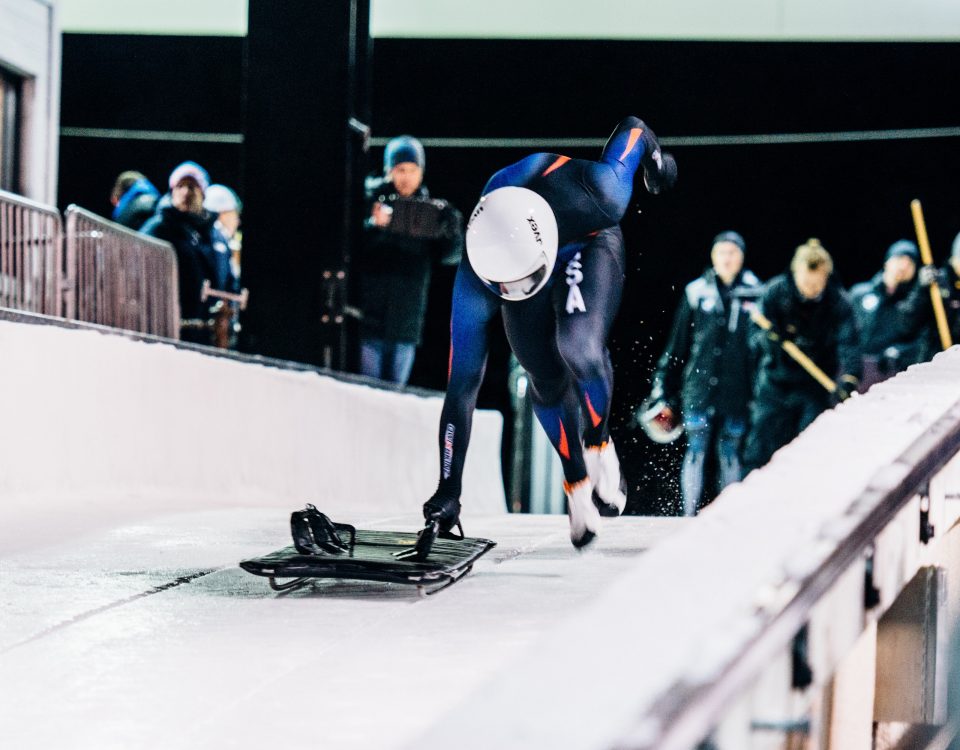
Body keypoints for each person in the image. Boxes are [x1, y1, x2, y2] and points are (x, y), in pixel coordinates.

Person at [420, 116, 678, 548]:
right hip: (527, 260)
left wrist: (657, 166)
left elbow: (636, 129)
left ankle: (598, 444)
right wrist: (449, 488)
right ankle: (576, 480)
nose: (511, 290)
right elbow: (461, 389)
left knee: (577, 343)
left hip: (586, 242)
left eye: (520, 282)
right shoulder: (476, 281)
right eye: (505, 287)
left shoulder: (600, 192)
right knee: (543, 373)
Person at [646, 231, 762, 516]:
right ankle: (688, 516)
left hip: (737, 391)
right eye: (722, 252)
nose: (727, 258)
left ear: (742, 257)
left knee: (730, 452)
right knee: (696, 450)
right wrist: (663, 388)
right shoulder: (696, 292)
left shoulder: (756, 293)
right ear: (713, 257)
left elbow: (762, 351)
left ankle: (730, 516)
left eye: (733, 253)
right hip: (699, 388)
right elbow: (677, 347)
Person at [742, 239, 861, 473]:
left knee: (809, 448)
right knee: (759, 450)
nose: (812, 289)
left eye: (818, 285)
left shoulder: (838, 302)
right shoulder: (775, 292)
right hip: (775, 384)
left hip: (814, 386)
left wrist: (850, 377)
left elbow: (850, 343)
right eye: (807, 282)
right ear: (796, 272)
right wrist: (768, 340)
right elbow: (753, 334)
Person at [357, 135, 463, 385]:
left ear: (421, 173)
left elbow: (450, 256)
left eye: (412, 170)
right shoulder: (370, 202)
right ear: (388, 171)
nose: (406, 177)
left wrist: (452, 231)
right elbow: (357, 249)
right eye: (400, 169)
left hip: (407, 322)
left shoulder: (430, 212)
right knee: (367, 390)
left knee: (396, 393)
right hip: (371, 317)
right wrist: (374, 225)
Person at [140, 161, 237, 344]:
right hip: (170, 328)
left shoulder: (214, 233)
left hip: (210, 331)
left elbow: (229, 276)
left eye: (192, 187)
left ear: (202, 192)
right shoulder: (158, 227)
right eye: (180, 186)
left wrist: (230, 305)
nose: (185, 192)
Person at [849, 239, 926, 390]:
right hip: (855, 371)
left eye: (910, 263)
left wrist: (900, 352)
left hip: (890, 373)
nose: (903, 266)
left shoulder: (913, 303)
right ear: (887, 262)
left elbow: (921, 338)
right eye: (899, 259)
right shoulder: (859, 294)